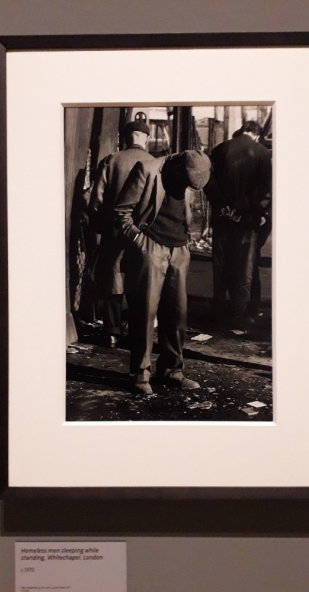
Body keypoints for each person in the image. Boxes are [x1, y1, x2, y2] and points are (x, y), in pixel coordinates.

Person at [114, 150, 211, 395]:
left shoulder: (190, 174)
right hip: (151, 247)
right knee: (145, 313)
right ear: (178, 168)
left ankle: (172, 370)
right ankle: (140, 375)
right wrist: (140, 242)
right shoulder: (147, 170)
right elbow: (121, 212)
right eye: (187, 183)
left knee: (177, 314)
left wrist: (186, 244)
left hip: (179, 249)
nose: (187, 188)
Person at [87, 120, 152, 347]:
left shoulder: (111, 161)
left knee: (113, 280)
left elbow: (96, 200)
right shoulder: (155, 164)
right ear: (146, 138)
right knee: (140, 281)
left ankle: (112, 332)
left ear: (125, 138)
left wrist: (101, 223)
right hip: (143, 234)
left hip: (113, 231)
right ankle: (137, 333)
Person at [205, 120, 272, 331]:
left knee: (221, 266)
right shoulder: (262, 153)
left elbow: (208, 182)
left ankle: (219, 313)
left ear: (241, 131)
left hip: (223, 218)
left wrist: (223, 206)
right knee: (244, 268)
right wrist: (253, 211)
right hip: (246, 221)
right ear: (255, 134)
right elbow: (265, 189)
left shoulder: (219, 150)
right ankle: (239, 316)